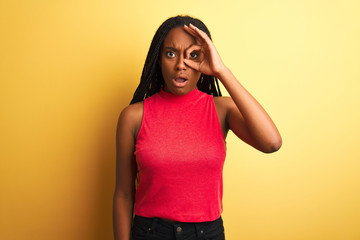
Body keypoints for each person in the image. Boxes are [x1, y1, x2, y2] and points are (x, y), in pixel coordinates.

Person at [113, 15, 282, 240]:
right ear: (158, 59)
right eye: (171, 53)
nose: (181, 65)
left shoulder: (221, 110)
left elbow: (272, 142)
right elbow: (124, 195)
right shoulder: (133, 116)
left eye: (193, 55)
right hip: (150, 233)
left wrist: (222, 71)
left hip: (207, 234)